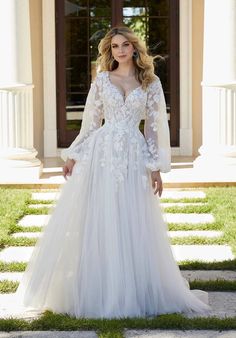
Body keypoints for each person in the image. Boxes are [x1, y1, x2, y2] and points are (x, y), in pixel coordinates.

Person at [16, 26, 211, 318]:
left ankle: (133, 286)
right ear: (110, 51)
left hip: (133, 154)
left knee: (132, 217)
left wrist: (155, 168)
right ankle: (100, 285)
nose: (120, 50)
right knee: (102, 216)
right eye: (115, 46)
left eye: (125, 45)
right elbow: (91, 122)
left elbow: (154, 130)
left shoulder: (151, 82)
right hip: (102, 153)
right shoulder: (102, 80)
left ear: (135, 48)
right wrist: (73, 156)